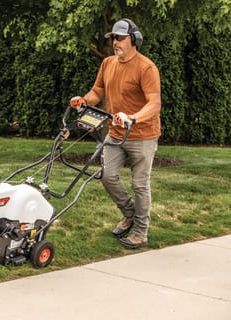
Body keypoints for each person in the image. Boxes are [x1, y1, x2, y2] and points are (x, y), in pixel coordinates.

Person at [70, 18, 161, 249]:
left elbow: (154, 103)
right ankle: (130, 214)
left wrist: (133, 117)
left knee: (140, 184)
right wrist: (84, 100)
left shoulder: (146, 67)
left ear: (134, 40)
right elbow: (97, 90)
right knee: (107, 176)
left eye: (120, 38)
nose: (115, 43)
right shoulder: (108, 63)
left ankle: (141, 232)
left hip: (142, 135)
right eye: (113, 38)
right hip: (115, 132)